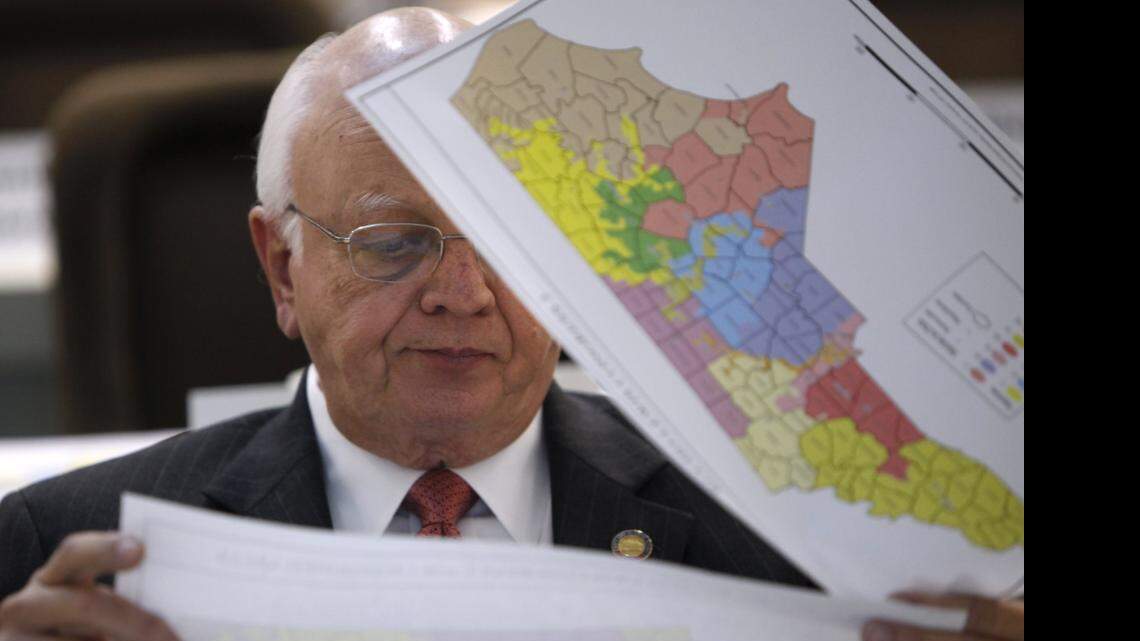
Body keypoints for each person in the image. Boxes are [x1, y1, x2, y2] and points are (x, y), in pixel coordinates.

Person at [0, 8, 1023, 641]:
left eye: (515, 241)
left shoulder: (800, 552)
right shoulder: (63, 554)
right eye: (396, 242)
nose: (464, 291)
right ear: (282, 264)